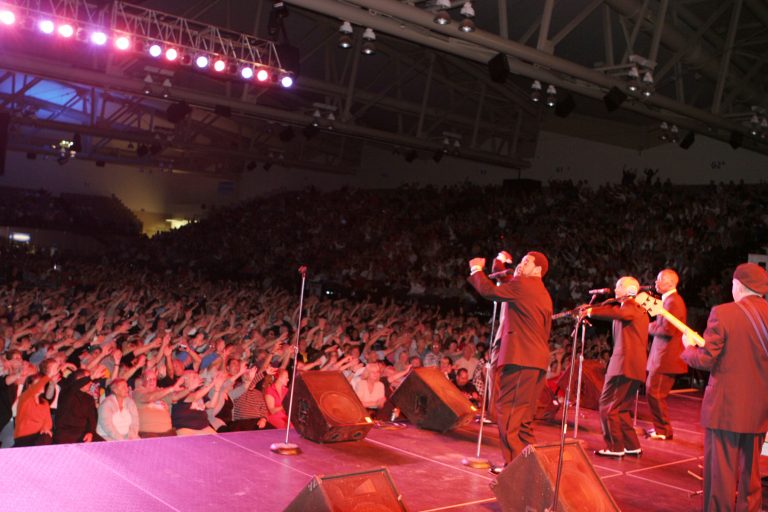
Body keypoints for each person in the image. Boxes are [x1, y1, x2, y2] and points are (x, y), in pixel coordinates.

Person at [681, 263, 768, 511]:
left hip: (726, 410)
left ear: (738, 285)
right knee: (751, 474)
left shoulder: (724, 312)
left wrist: (688, 348)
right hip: (759, 411)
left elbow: (706, 360)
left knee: (721, 476)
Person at [467, 251, 553, 472]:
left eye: (526, 262)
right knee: (523, 416)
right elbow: (503, 277)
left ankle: (515, 466)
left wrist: (477, 269)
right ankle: (526, 462)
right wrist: (499, 261)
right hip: (535, 360)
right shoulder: (539, 291)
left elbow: (490, 290)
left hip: (520, 359)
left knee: (509, 412)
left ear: (537, 269)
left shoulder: (523, 285)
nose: (521, 265)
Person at [586, 276, 649, 457]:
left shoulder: (630, 305)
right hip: (633, 367)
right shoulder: (639, 309)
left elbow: (622, 313)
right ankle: (631, 445)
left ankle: (615, 447)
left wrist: (590, 311)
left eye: (618, 286)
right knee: (621, 409)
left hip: (623, 366)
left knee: (608, 406)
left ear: (628, 289)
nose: (615, 289)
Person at [646, 269, 688, 441]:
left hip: (666, 358)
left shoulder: (673, 302)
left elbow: (668, 329)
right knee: (653, 392)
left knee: (655, 392)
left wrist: (647, 327)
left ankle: (663, 430)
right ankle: (661, 429)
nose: (656, 283)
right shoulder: (669, 300)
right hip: (662, 356)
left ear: (669, 283)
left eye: (659, 279)